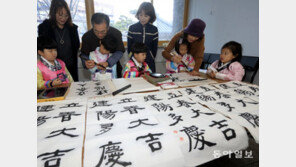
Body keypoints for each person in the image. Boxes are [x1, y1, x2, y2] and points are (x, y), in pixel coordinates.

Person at [38, 0, 80, 81]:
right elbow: (42, 48)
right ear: (53, 13)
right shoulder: (45, 28)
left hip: (71, 67)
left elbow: (76, 46)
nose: (63, 18)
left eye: (66, 15)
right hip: (51, 70)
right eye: (60, 15)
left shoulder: (73, 29)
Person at [80, 13, 125, 78]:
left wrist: (108, 63)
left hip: (114, 71)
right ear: (92, 26)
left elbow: (119, 51)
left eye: (103, 31)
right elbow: (84, 54)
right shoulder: (87, 37)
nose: (100, 35)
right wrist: (86, 62)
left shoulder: (116, 33)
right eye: (96, 31)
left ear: (108, 27)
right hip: (96, 75)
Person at [127, 2, 158, 73]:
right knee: (135, 80)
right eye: (140, 15)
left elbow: (154, 47)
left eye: (146, 16)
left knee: (150, 80)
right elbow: (129, 46)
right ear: (138, 15)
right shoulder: (132, 28)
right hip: (135, 61)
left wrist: (151, 57)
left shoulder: (154, 30)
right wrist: (132, 58)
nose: (142, 18)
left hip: (149, 61)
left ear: (151, 16)